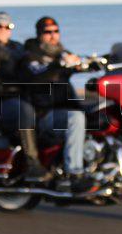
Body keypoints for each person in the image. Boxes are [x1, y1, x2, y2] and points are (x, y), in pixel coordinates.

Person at [20, 16, 95, 192]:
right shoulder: (31, 56)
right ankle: (74, 174)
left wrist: (98, 62)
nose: (53, 35)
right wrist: (60, 65)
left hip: (65, 107)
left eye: (56, 31)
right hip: (45, 113)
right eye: (48, 32)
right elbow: (39, 76)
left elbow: (77, 63)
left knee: (98, 112)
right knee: (76, 119)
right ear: (39, 34)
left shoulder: (61, 52)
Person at [0, 12, 47, 179]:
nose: (3, 29)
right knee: (25, 111)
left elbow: (32, 59)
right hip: (0, 102)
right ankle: (32, 163)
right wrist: (15, 89)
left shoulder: (16, 46)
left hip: (21, 96)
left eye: (8, 26)